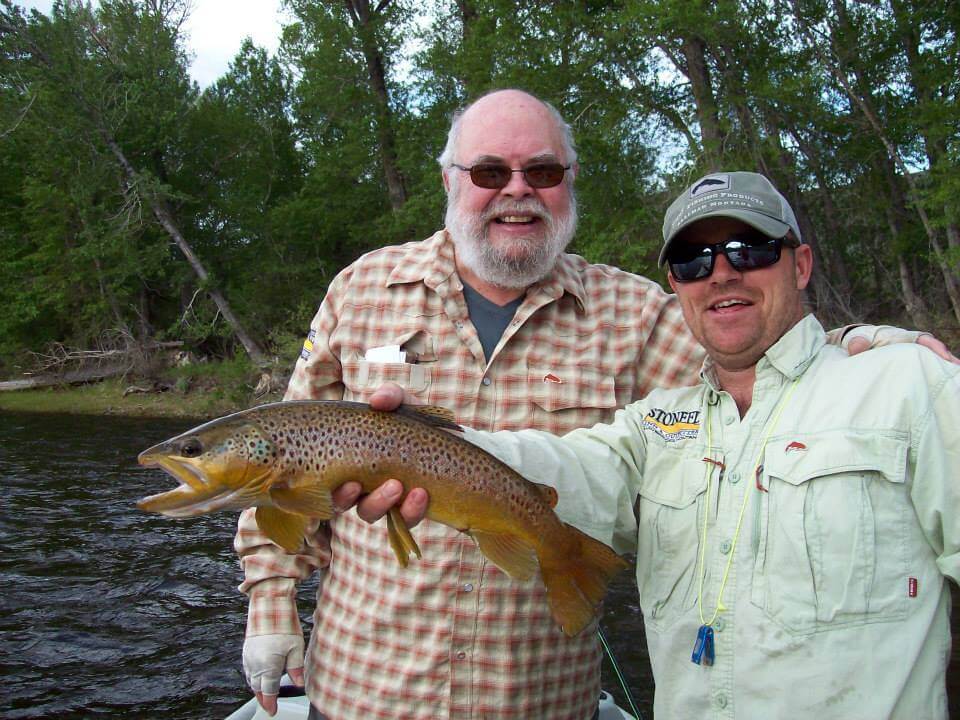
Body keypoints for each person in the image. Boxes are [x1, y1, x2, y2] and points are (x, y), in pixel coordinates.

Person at [235, 88, 954, 719]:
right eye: (490, 172)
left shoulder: (637, 313)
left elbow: (750, 338)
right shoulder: (359, 289)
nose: (516, 190)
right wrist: (270, 611)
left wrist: (860, 344)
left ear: (568, 184)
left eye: (541, 172)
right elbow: (279, 456)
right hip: (364, 696)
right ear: (451, 182)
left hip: (541, 703)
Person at [423, 171, 959, 718]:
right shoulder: (655, 421)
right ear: (678, 286)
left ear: (800, 266)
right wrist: (411, 450)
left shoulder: (910, 386)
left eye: (749, 251)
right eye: (693, 261)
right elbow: (567, 467)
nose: (721, 274)